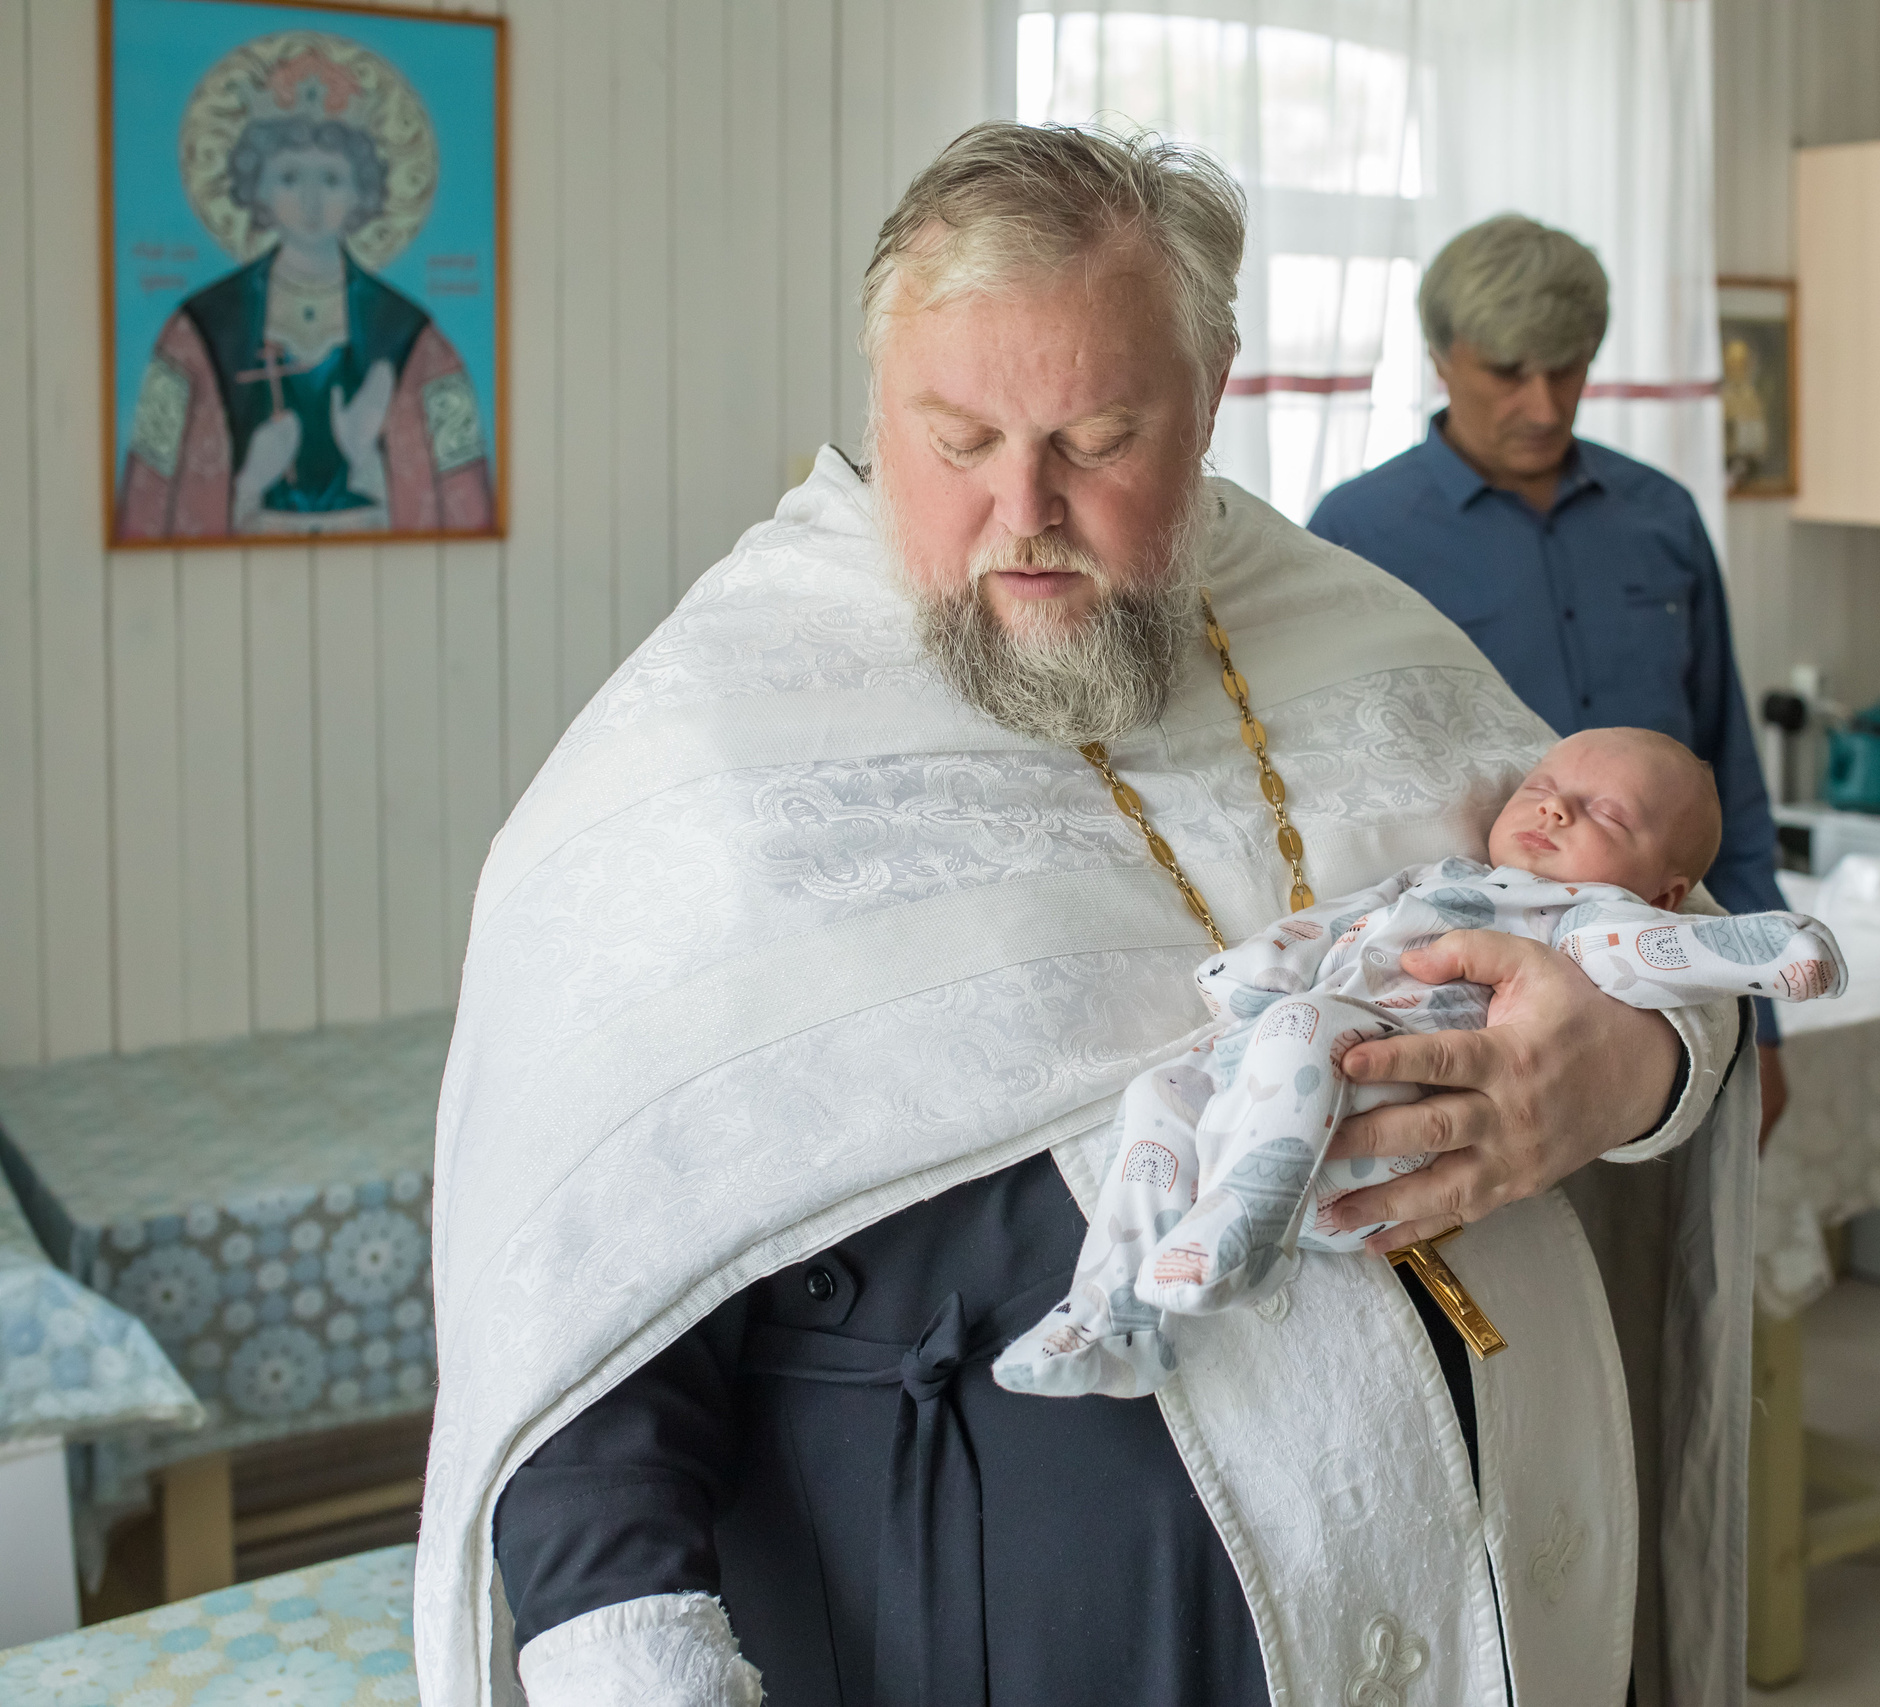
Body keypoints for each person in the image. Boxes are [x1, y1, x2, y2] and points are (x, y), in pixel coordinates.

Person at [419, 125, 1761, 1707]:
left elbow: (1647, 925)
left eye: (1099, 436)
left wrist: (1630, 1068)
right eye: (960, 437)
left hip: (1496, 1601)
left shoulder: (1349, 627)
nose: (1024, 509)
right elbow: (584, 1291)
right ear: (876, 408)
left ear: (1212, 396)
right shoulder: (700, 745)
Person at [1000, 727, 1845, 1399]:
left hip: (1389, 1110)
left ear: (1664, 887)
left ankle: (1249, 1224)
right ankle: (1115, 1318)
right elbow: (1348, 919)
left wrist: (1768, 950)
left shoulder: (1581, 916)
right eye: (1542, 791)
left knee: (1301, 1025)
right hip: (1294, 1089)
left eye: (1606, 815)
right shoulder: (1445, 878)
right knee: (1160, 1092)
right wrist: (1265, 963)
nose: (1554, 812)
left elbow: (1656, 953)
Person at [1307, 214, 1793, 1146]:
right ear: (1442, 358)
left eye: (1567, 368)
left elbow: (1727, 771)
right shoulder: (1357, 534)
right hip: (1461, 1004)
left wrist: (1762, 1024)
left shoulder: (1662, 516)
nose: (1543, 403)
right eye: (1508, 372)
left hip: (1677, 994)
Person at [116, 54, 493, 539]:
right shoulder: (198, 330)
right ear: (258, 188)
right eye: (290, 178)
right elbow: (151, 483)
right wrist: (250, 480)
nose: (312, 203)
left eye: (332, 179)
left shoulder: (414, 337)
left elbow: (462, 488)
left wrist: (367, 463)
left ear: (363, 192)